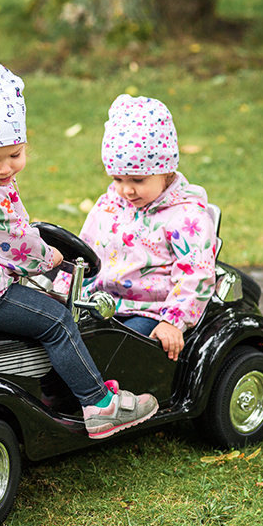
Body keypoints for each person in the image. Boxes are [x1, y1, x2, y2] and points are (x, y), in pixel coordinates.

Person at [0, 65, 158, 439]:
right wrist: (52, 258)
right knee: (56, 320)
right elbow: (19, 248)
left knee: (32, 310)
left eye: (15, 155)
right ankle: (99, 404)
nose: (5, 168)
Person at [72, 94, 217, 361]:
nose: (126, 190)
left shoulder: (186, 215)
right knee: (61, 341)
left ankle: (129, 400)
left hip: (150, 310)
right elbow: (83, 250)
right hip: (100, 304)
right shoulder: (109, 205)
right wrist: (63, 291)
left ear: (167, 171)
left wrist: (173, 320)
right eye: (118, 178)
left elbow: (197, 273)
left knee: (119, 354)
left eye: (138, 179)